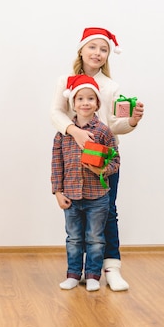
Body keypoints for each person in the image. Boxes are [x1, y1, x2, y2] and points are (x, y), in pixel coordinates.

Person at [50, 27, 144, 291]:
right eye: (93, 47)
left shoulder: (111, 87)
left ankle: (111, 268)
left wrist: (132, 121)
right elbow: (56, 112)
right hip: (74, 160)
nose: (98, 53)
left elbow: (115, 125)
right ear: (82, 49)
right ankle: (78, 271)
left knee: (108, 212)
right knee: (77, 220)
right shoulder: (64, 81)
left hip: (104, 160)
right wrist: (75, 132)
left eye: (104, 49)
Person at [51, 74, 120, 291]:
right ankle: (73, 274)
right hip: (71, 195)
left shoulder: (103, 132)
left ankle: (92, 275)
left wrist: (103, 169)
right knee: (73, 239)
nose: (85, 103)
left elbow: (115, 159)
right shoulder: (63, 134)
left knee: (95, 238)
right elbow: (56, 163)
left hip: (97, 196)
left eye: (90, 99)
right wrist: (57, 191)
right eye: (80, 99)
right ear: (73, 103)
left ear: (97, 103)